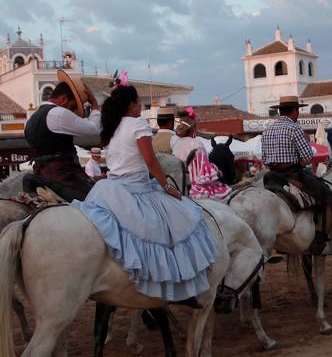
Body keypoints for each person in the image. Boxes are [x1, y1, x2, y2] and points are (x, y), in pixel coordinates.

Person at [74, 80, 217, 302]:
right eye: (138, 102)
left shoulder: (112, 126)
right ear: (131, 105)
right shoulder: (137, 124)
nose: (140, 106)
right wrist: (167, 186)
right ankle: (176, 284)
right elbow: (150, 160)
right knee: (181, 221)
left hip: (111, 188)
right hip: (137, 189)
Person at [261, 95, 332, 248]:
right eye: (298, 110)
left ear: (281, 111)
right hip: (292, 174)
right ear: (295, 111)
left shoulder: (268, 130)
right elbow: (308, 157)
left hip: (271, 176)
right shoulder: (295, 128)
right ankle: (320, 238)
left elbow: (264, 158)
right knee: (331, 199)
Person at [23, 70, 102, 202]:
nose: (73, 112)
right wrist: (94, 104)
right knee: (99, 201)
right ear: (64, 99)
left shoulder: (32, 117)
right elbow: (94, 129)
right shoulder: (59, 113)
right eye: (72, 107)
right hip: (62, 176)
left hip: (41, 171)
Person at [176, 120, 230, 200]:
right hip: (195, 185)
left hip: (179, 184)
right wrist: (217, 171)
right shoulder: (197, 144)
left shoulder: (176, 144)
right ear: (193, 129)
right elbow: (204, 168)